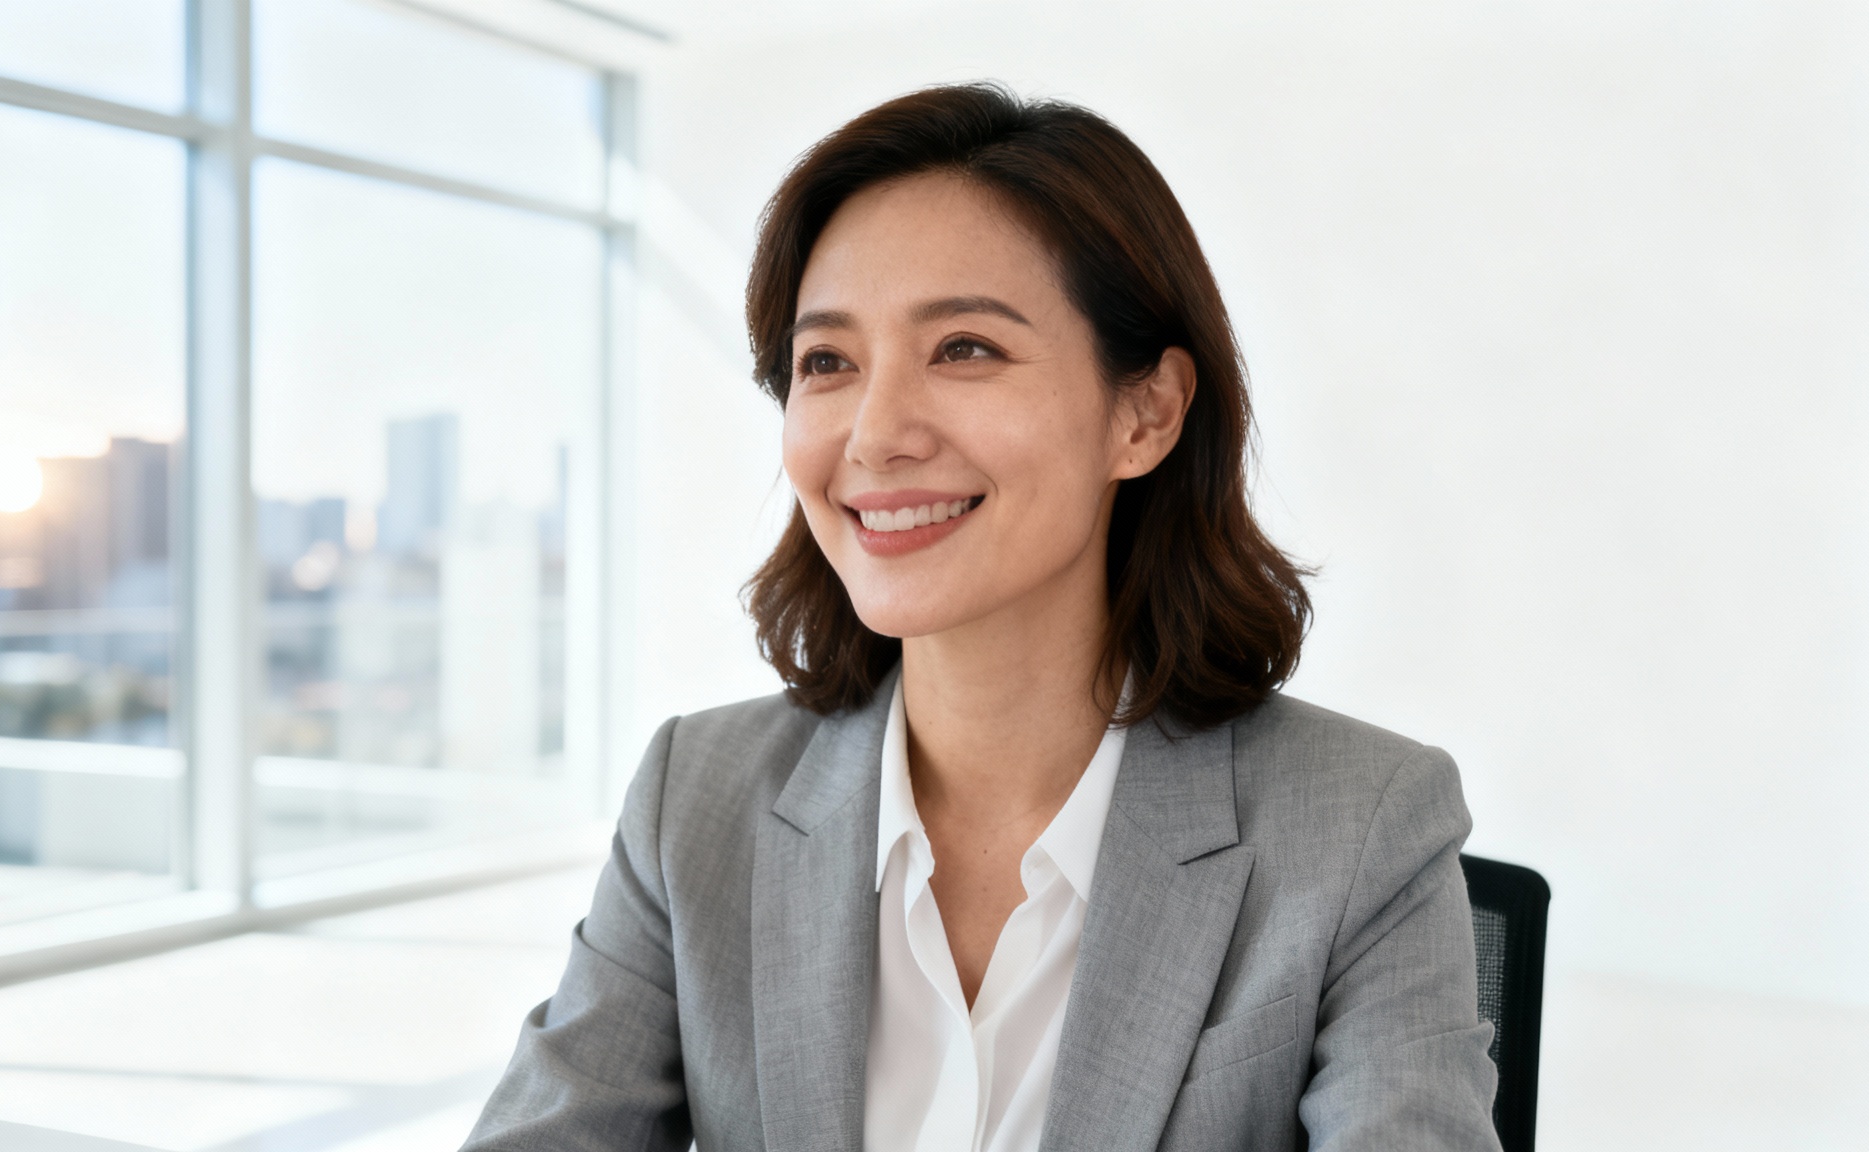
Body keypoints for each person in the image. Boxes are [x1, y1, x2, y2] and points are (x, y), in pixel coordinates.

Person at [463, 83, 1500, 1152]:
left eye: (963, 348)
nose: (874, 434)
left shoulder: (1364, 827)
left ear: (1142, 414)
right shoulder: (698, 802)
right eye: (827, 363)